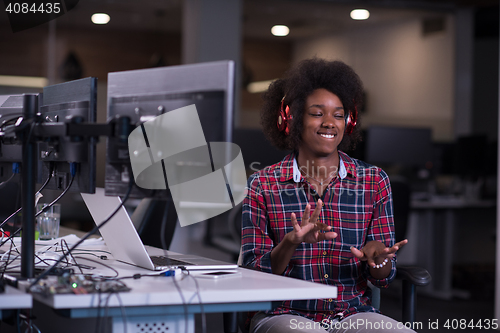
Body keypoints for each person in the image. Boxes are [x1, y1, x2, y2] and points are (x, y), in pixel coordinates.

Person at [241, 58, 412, 333]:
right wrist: (290, 243)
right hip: (284, 313)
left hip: (352, 312)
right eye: (317, 113)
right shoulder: (263, 184)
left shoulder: (373, 181)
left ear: (350, 120)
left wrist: (379, 259)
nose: (330, 123)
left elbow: (382, 278)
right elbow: (251, 277)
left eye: (339, 114)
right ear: (291, 118)